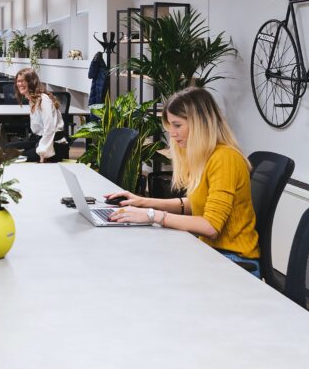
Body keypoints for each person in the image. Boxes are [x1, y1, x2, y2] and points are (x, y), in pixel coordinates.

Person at [108, 87, 261, 277]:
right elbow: (196, 203)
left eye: (177, 125)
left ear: (200, 123)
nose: (171, 133)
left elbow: (210, 227)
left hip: (235, 262)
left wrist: (152, 215)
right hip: (212, 254)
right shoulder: (206, 156)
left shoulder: (225, 158)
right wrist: (142, 201)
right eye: (170, 126)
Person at [6, 68, 68, 162]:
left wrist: (43, 152)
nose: (19, 84)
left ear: (31, 82)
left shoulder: (43, 100)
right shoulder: (33, 100)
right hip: (38, 140)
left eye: (23, 81)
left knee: (15, 157)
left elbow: (49, 128)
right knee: (6, 149)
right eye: (18, 81)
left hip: (54, 144)